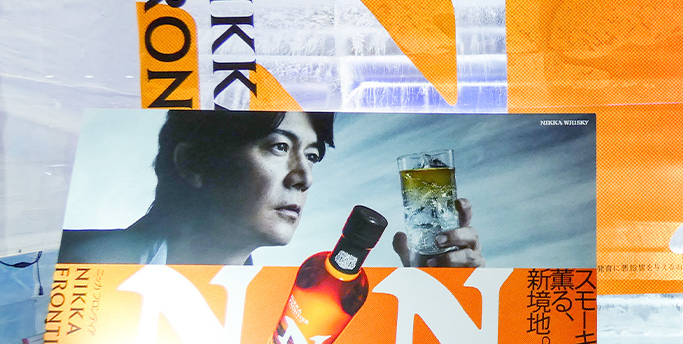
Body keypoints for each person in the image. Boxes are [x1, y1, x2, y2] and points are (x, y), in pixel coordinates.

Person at [59, 111, 484, 267]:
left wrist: (432, 298)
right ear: (193, 163)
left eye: (312, 156)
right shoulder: (65, 266)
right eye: (280, 147)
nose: (304, 177)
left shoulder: (297, 312)